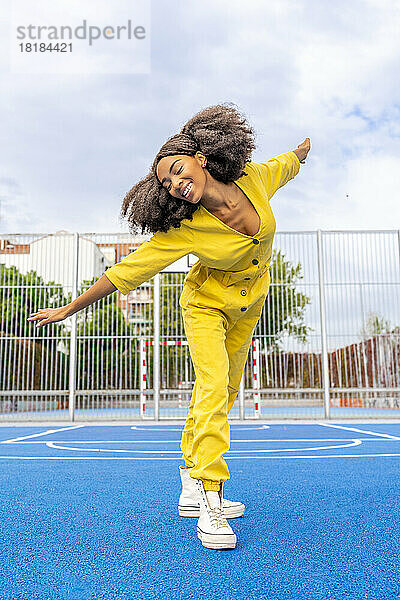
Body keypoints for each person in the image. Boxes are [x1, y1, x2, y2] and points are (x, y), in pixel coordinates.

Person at [27, 103, 310, 551]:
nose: (176, 184)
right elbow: (128, 271)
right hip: (205, 307)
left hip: (248, 305)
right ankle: (211, 497)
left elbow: (284, 166)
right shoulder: (185, 228)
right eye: (167, 183)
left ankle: (188, 473)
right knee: (214, 386)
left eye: (177, 170)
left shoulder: (253, 179)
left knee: (224, 392)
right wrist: (70, 308)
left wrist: (301, 151)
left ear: (201, 157)